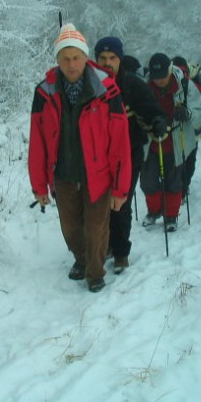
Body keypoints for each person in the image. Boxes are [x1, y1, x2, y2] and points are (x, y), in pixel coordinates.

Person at [28, 24, 132, 292]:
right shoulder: (44, 93)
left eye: (76, 58)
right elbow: (37, 144)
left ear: (86, 58)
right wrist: (39, 185)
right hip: (63, 173)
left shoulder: (107, 91)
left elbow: (120, 144)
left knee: (96, 227)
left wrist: (120, 188)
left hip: (99, 174)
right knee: (71, 228)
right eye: (65, 58)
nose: (71, 64)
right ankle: (83, 258)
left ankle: (95, 272)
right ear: (57, 60)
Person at [94, 37, 166, 274]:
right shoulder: (88, 83)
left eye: (112, 58)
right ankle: (104, 247)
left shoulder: (132, 84)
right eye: (102, 58)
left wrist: (157, 121)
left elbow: (151, 108)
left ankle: (121, 252)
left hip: (129, 153)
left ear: (120, 59)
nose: (107, 63)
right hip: (96, 156)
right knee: (98, 205)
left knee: (120, 204)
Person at [140, 53, 201, 232]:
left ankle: (171, 215)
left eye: (162, 77)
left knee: (174, 182)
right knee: (148, 181)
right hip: (151, 142)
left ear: (170, 70)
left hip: (177, 141)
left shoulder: (185, 85)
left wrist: (187, 113)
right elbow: (137, 111)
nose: (159, 81)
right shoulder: (145, 87)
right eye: (156, 77)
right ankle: (154, 211)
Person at [172, 56, 201, 197]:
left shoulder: (198, 81)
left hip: (192, 130)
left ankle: (183, 188)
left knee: (189, 161)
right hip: (172, 131)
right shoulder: (167, 81)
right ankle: (175, 190)